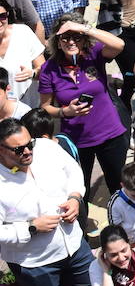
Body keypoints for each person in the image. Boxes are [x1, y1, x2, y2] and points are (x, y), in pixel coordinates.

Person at [0, 115, 91, 286]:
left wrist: (74, 197)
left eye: (29, 144)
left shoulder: (47, 149)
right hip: (34, 261)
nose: (28, 151)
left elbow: (74, 172)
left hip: (73, 244)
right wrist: (30, 228)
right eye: (18, 150)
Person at [37, 12, 127, 196]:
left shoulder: (94, 54)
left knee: (119, 188)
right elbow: (45, 107)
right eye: (65, 37)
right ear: (57, 40)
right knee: (78, 191)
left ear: (84, 39)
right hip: (76, 140)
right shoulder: (49, 69)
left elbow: (119, 44)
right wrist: (65, 112)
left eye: (76, 37)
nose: (71, 42)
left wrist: (84, 28)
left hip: (109, 134)